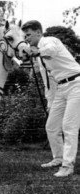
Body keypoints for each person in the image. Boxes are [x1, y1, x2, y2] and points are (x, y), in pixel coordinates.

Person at [21, 20, 80, 177]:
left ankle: (68, 166)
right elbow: (48, 81)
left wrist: (35, 52)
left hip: (76, 84)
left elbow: (50, 50)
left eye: (28, 35)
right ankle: (58, 158)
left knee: (69, 126)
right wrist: (50, 101)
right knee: (52, 126)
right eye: (24, 36)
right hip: (61, 87)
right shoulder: (39, 57)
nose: (26, 38)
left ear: (39, 32)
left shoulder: (49, 41)